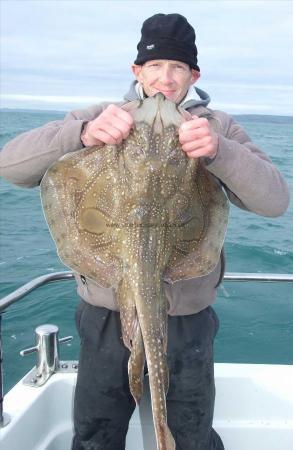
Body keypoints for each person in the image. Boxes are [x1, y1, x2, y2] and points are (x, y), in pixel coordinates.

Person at [0, 13, 289, 450]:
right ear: (137, 71)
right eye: (155, 66)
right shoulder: (99, 116)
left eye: (177, 67)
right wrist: (80, 135)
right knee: (97, 432)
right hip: (104, 311)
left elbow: (274, 202)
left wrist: (220, 152)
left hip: (186, 318)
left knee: (190, 432)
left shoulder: (220, 126)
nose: (165, 79)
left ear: (194, 74)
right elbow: (11, 166)